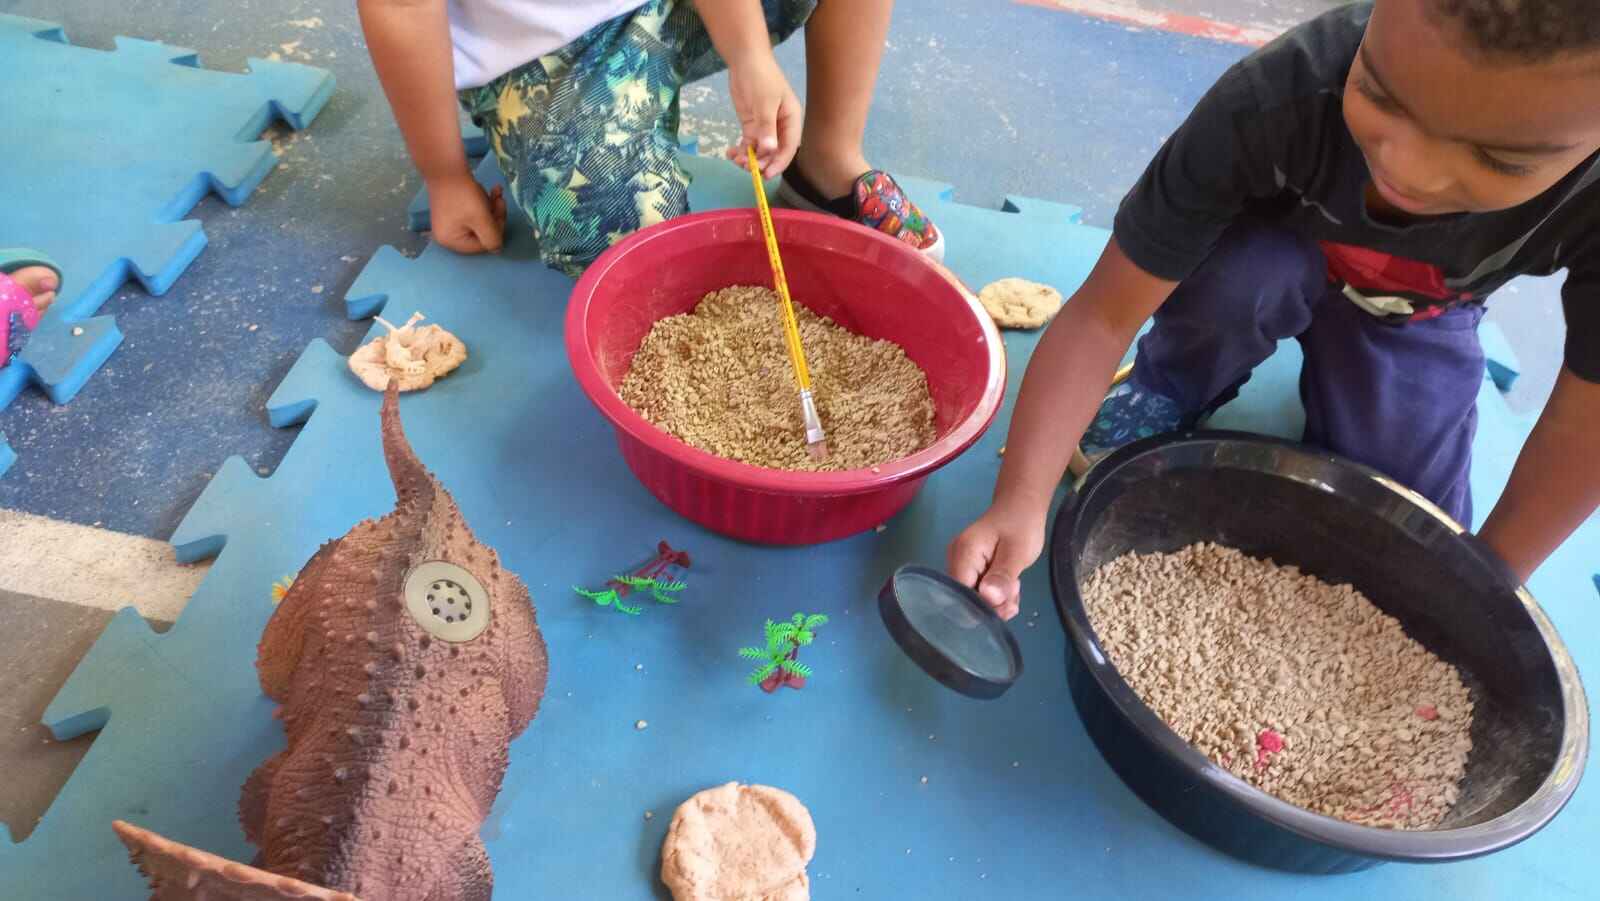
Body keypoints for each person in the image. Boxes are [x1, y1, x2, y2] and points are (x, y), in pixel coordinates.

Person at [950, 0, 1600, 619]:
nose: (1410, 171)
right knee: (1243, 282)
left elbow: (1587, 424)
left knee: (1403, 530)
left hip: (1418, 307)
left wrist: (1492, 585)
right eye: (1379, 93)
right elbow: (1102, 315)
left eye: (1497, 158)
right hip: (1267, 256)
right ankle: (1172, 384)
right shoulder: (1273, 98)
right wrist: (1020, 502)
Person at [358, 0, 944, 276]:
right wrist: (444, 174)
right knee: (635, 253)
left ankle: (827, 161)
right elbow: (400, 7)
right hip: (542, 56)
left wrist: (750, 55)